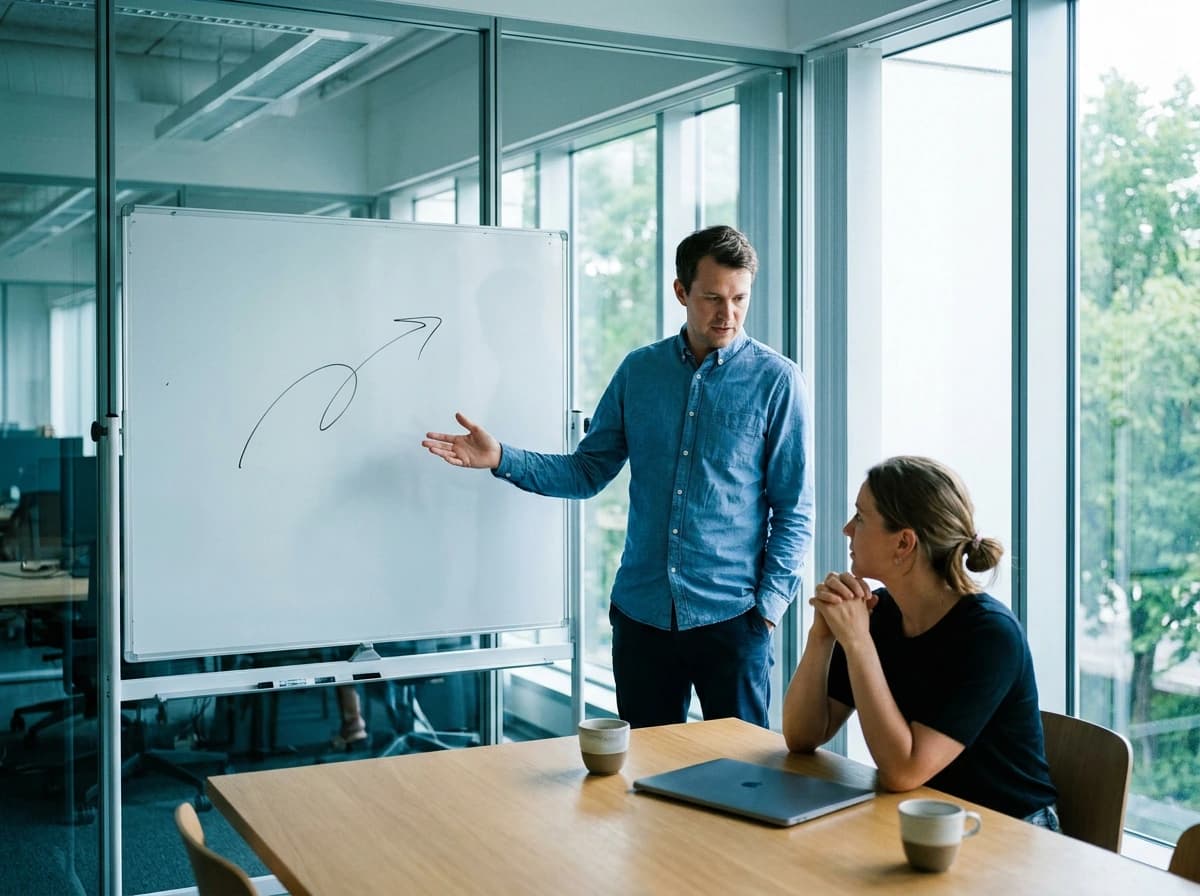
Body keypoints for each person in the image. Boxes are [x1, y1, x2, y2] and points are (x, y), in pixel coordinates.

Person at [423, 225, 813, 728]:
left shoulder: (777, 380)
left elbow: (794, 508)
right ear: (681, 291)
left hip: (733, 620)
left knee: (740, 769)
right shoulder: (639, 372)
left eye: (740, 299)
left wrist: (767, 611)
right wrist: (501, 457)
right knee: (645, 769)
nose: (728, 315)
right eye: (713, 298)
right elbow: (586, 472)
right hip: (642, 616)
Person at [781, 455, 1060, 828]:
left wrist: (858, 642)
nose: (847, 529)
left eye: (860, 517)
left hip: (1012, 830)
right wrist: (822, 636)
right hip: (925, 813)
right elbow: (801, 736)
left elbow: (902, 771)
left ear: (904, 543)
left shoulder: (990, 636)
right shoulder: (880, 615)